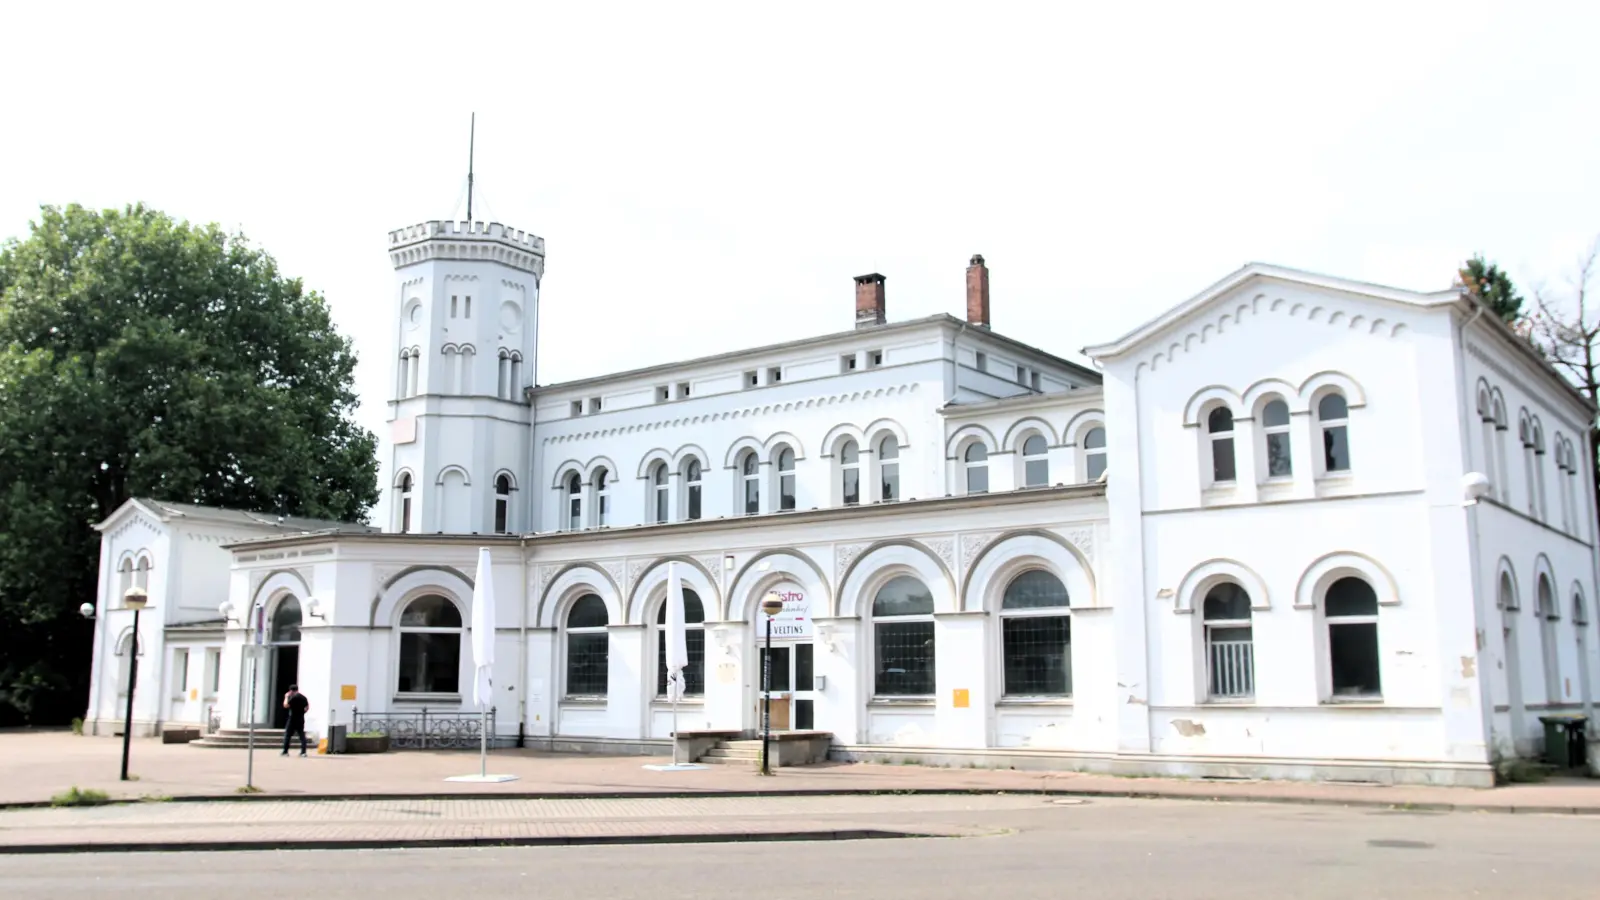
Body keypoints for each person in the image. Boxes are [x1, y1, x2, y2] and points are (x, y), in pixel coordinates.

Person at [281, 684, 310, 757]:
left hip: (292, 718)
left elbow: (286, 705)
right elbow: (307, 708)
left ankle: (285, 751)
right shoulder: (303, 697)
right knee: (302, 735)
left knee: (288, 735)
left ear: (291, 691)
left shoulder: (293, 697)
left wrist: (286, 697)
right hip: (300, 718)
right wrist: (302, 712)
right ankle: (303, 752)